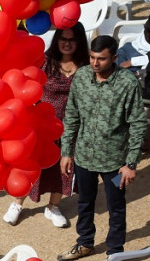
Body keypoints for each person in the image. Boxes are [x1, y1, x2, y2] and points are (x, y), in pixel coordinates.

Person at [57, 35, 150, 261]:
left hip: (116, 163)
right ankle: (85, 242)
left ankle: (115, 253)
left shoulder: (128, 83)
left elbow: (137, 124)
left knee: (116, 207)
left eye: (101, 59)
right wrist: (66, 152)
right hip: (84, 157)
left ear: (115, 58)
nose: (95, 63)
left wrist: (131, 164)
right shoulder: (81, 77)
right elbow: (71, 116)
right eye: (92, 57)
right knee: (85, 202)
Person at [5, 24, 88, 229]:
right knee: (32, 164)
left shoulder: (85, 67)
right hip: (43, 123)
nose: (67, 43)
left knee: (65, 167)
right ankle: (17, 203)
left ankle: (53, 206)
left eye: (72, 39)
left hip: (71, 127)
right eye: (63, 38)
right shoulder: (45, 61)